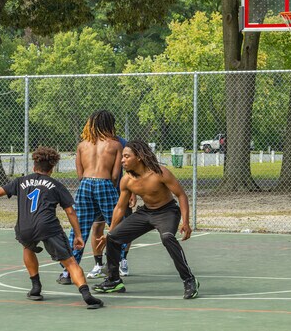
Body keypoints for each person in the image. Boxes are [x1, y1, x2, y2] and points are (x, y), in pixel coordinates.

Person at [0, 147, 103, 309]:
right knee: (70, 262)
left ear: (34, 166)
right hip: (48, 226)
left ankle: (35, 287)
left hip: (25, 226)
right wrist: (78, 234)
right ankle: (86, 295)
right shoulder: (56, 185)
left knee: (27, 248)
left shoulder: (20, 181)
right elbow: (70, 211)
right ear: (51, 169)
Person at [93, 140, 199, 299]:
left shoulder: (160, 173)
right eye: (122, 157)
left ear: (139, 157)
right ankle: (114, 280)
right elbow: (120, 208)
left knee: (167, 237)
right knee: (113, 238)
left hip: (167, 211)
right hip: (145, 212)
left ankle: (189, 280)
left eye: (127, 156)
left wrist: (186, 222)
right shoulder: (127, 180)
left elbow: (181, 195)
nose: (122, 160)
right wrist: (110, 231)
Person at [57, 110, 123, 285]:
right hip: (105, 183)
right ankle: (114, 267)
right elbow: (116, 175)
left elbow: (79, 174)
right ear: (110, 125)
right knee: (118, 226)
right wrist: (111, 189)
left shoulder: (82, 145)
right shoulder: (115, 145)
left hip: (85, 185)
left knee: (79, 229)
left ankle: (67, 272)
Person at [86, 135, 135, 279]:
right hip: (99, 192)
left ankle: (122, 259)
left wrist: (132, 191)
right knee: (97, 227)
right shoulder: (91, 142)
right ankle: (98, 264)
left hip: (121, 192)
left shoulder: (122, 143)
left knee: (124, 227)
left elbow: (130, 168)